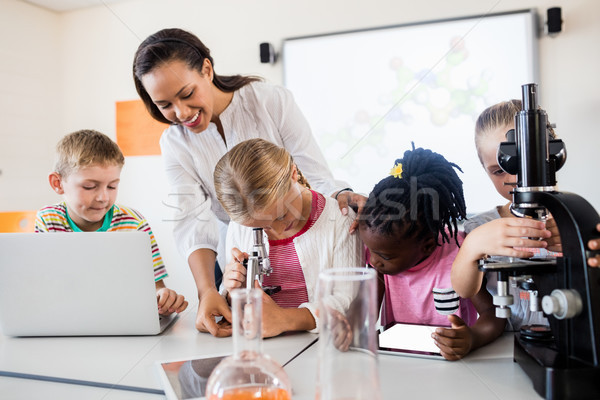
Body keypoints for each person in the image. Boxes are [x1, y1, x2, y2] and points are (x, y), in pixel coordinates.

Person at [133, 28, 364, 336]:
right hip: (237, 246)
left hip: (300, 247)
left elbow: (315, 173)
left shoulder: (269, 101)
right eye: (164, 105)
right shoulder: (175, 143)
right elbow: (192, 219)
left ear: (206, 69)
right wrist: (208, 291)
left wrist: (342, 197)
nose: (182, 112)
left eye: (187, 94)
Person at [358, 145, 505, 361]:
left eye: (384, 256)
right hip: (398, 361)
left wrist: (472, 337)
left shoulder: (458, 255)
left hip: (449, 363)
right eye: (370, 250)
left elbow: (493, 315)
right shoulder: (382, 257)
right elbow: (365, 309)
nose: (374, 260)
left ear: (426, 246)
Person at [213, 138, 365, 337]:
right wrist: (235, 293)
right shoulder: (239, 227)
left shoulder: (340, 220)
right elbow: (234, 303)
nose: (277, 228)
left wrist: (285, 319)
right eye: (261, 227)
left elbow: (347, 300)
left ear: (293, 174)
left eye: (282, 215)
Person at [35, 129, 188, 316]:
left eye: (112, 186)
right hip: (67, 317)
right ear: (57, 183)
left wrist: (163, 298)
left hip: (121, 318)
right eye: (89, 187)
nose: (103, 197)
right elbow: (44, 287)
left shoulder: (134, 223)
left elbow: (155, 287)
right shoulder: (49, 220)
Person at [450, 100, 563, 331]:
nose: (513, 178)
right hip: (505, 346)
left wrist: (578, 241)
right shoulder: (480, 227)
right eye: (498, 170)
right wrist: (473, 246)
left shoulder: (574, 215)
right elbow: (464, 290)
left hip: (570, 341)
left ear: (551, 157)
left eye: (522, 164)